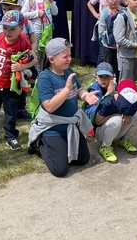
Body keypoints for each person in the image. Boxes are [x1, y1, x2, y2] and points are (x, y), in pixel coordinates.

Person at [28, 38, 100, 178]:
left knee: (82, 159)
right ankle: (40, 143)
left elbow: (78, 90)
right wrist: (66, 90)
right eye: (65, 56)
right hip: (52, 128)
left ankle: (62, 145)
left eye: (70, 55)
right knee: (60, 170)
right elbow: (49, 107)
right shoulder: (45, 78)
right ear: (52, 59)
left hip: (70, 125)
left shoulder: (68, 71)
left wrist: (86, 96)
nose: (69, 59)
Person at [0, 10, 37, 151]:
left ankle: (11, 135)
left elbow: (34, 59)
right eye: (5, 28)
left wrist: (21, 66)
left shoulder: (23, 41)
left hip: (11, 85)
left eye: (12, 29)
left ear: (21, 28)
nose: (8, 32)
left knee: (11, 111)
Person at [91, 75, 137, 164]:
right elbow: (97, 121)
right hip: (102, 133)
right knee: (117, 120)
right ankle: (105, 147)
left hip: (118, 131)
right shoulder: (108, 102)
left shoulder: (132, 101)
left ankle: (124, 140)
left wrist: (128, 115)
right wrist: (117, 115)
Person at [22, 0, 58, 67]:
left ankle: (43, 73)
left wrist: (51, 1)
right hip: (36, 32)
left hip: (47, 32)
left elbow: (55, 12)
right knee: (36, 55)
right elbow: (23, 14)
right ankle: (36, 77)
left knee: (45, 55)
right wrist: (36, 13)